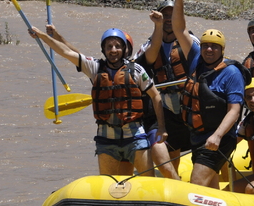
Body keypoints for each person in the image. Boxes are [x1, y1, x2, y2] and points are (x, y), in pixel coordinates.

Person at [29, 26, 167, 176]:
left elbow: (155, 96)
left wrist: (162, 127)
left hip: (135, 137)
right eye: (109, 47)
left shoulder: (137, 70)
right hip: (106, 140)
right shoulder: (94, 67)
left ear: (124, 49)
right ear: (103, 50)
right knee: (109, 185)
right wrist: (42, 36)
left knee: (148, 181)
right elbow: (66, 52)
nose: (113, 50)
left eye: (117, 46)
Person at [172, 0, 246, 189]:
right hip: (199, 137)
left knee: (196, 185)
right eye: (205, 45)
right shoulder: (196, 58)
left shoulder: (231, 73)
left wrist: (218, 135)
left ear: (222, 50)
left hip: (219, 138)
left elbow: (235, 110)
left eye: (214, 46)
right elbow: (179, 29)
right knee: (210, 186)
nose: (209, 49)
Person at [133, 0, 197, 180]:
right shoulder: (150, 45)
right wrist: (158, 26)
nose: (169, 19)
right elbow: (145, 62)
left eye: (172, 15)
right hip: (167, 107)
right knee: (172, 150)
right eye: (165, 15)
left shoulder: (190, 40)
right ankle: (175, 184)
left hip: (190, 103)